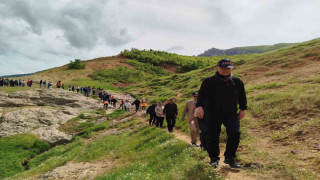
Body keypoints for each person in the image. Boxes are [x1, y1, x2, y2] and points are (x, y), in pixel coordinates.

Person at [196, 59, 247, 169]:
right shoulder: (208, 81)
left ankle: (230, 158)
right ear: (217, 68)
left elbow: (242, 96)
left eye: (228, 68)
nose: (226, 70)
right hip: (212, 113)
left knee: (235, 132)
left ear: (232, 68)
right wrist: (199, 107)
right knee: (212, 135)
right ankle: (214, 158)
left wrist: (242, 109)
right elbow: (201, 97)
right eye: (223, 68)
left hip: (231, 113)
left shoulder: (237, 82)